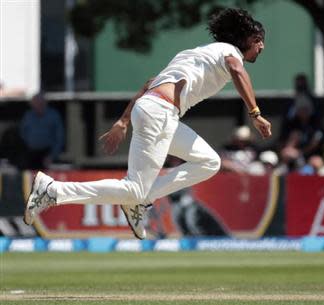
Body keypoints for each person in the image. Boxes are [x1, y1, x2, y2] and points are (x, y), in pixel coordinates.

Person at [23, 8, 271, 239]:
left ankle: (141, 200)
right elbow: (236, 70)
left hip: (158, 111)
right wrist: (255, 113)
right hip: (160, 113)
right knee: (134, 189)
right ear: (247, 38)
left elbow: (150, 82)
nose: (262, 46)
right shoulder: (230, 54)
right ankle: (52, 191)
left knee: (210, 162)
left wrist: (123, 120)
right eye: (259, 40)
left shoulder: (198, 53)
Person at [19, 92, 65, 169]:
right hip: (31, 154)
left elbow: (59, 137)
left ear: (45, 103)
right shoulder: (28, 116)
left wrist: (52, 156)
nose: (38, 105)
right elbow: (22, 134)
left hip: (47, 154)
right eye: (35, 103)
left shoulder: (53, 116)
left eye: (40, 103)